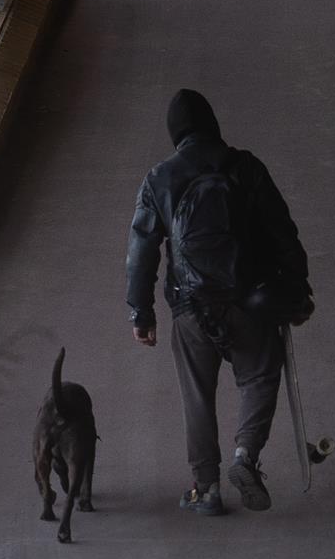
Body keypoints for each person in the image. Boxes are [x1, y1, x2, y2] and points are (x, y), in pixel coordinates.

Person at [126, 89, 313, 516]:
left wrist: (142, 311)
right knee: (260, 375)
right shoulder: (246, 167)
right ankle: (245, 455)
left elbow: (142, 250)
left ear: (175, 134)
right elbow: (283, 232)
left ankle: (205, 489)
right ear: (213, 124)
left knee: (197, 393)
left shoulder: (159, 178)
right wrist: (297, 289)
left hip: (190, 307)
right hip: (250, 298)